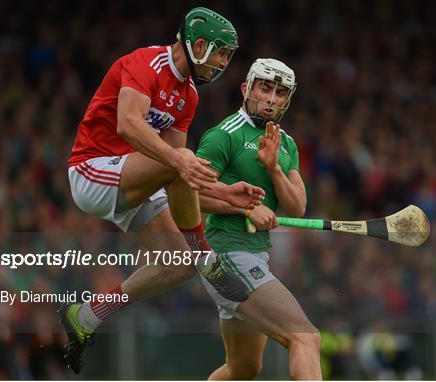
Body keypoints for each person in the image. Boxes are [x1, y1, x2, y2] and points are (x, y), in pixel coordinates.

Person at [58, 7, 264, 374]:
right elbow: (128, 124)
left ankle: (87, 315)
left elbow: (180, 180)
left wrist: (226, 195)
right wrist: (181, 162)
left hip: (134, 179)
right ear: (197, 44)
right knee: (181, 162)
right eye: (219, 52)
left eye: (227, 56)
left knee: (177, 264)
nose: (222, 63)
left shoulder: (189, 96)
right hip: (92, 171)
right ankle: (206, 257)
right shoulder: (145, 63)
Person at [196, 58, 323, 380]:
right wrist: (245, 210)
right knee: (305, 337)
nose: (271, 99)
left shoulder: (286, 144)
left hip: (253, 254)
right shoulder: (223, 136)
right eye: (265, 88)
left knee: (243, 368)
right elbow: (187, 195)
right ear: (246, 88)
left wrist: (274, 168)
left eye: (280, 93)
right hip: (226, 254)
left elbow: (297, 208)